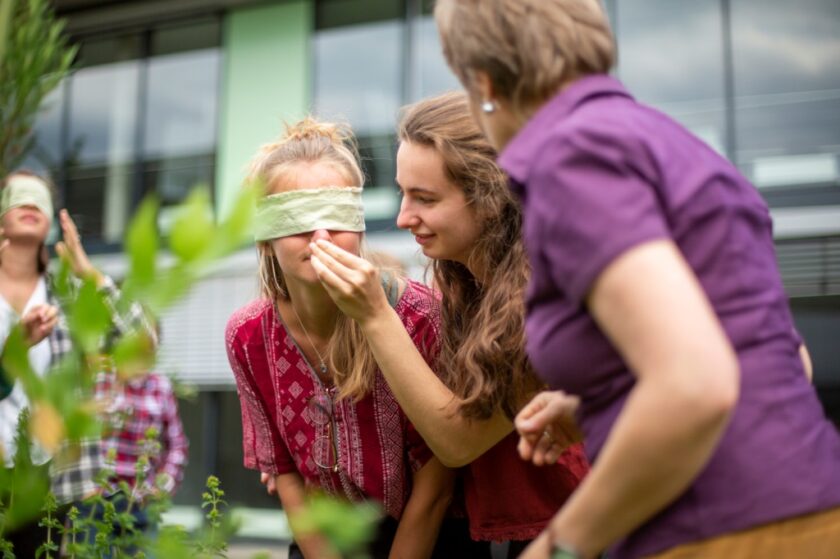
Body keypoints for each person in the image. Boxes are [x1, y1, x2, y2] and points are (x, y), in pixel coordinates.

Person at [425, 1, 840, 558]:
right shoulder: (680, 148)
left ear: (483, 81)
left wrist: (562, 546)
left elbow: (695, 382)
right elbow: (785, 361)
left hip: (714, 531)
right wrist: (602, 403)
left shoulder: (573, 156)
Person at [308, 92, 588, 556]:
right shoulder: (467, 282)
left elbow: (458, 441)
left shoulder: (546, 301)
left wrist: (375, 314)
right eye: (402, 192)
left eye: (425, 198)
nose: (402, 217)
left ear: (491, 195)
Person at [225, 118, 479, 559]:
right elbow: (285, 473)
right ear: (265, 238)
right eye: (298, 219)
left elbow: (437, 485)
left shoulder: (421, 318)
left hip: (430, 539)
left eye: (336, 215)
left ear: (359, 224)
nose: (321, 236)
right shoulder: (247, 338)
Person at [0, 170, 155, 557]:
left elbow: (142, 346)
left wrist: (90, 274)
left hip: (46, 477)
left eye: (40, 199)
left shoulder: (67, 295)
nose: (31, 203)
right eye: (18, 196)